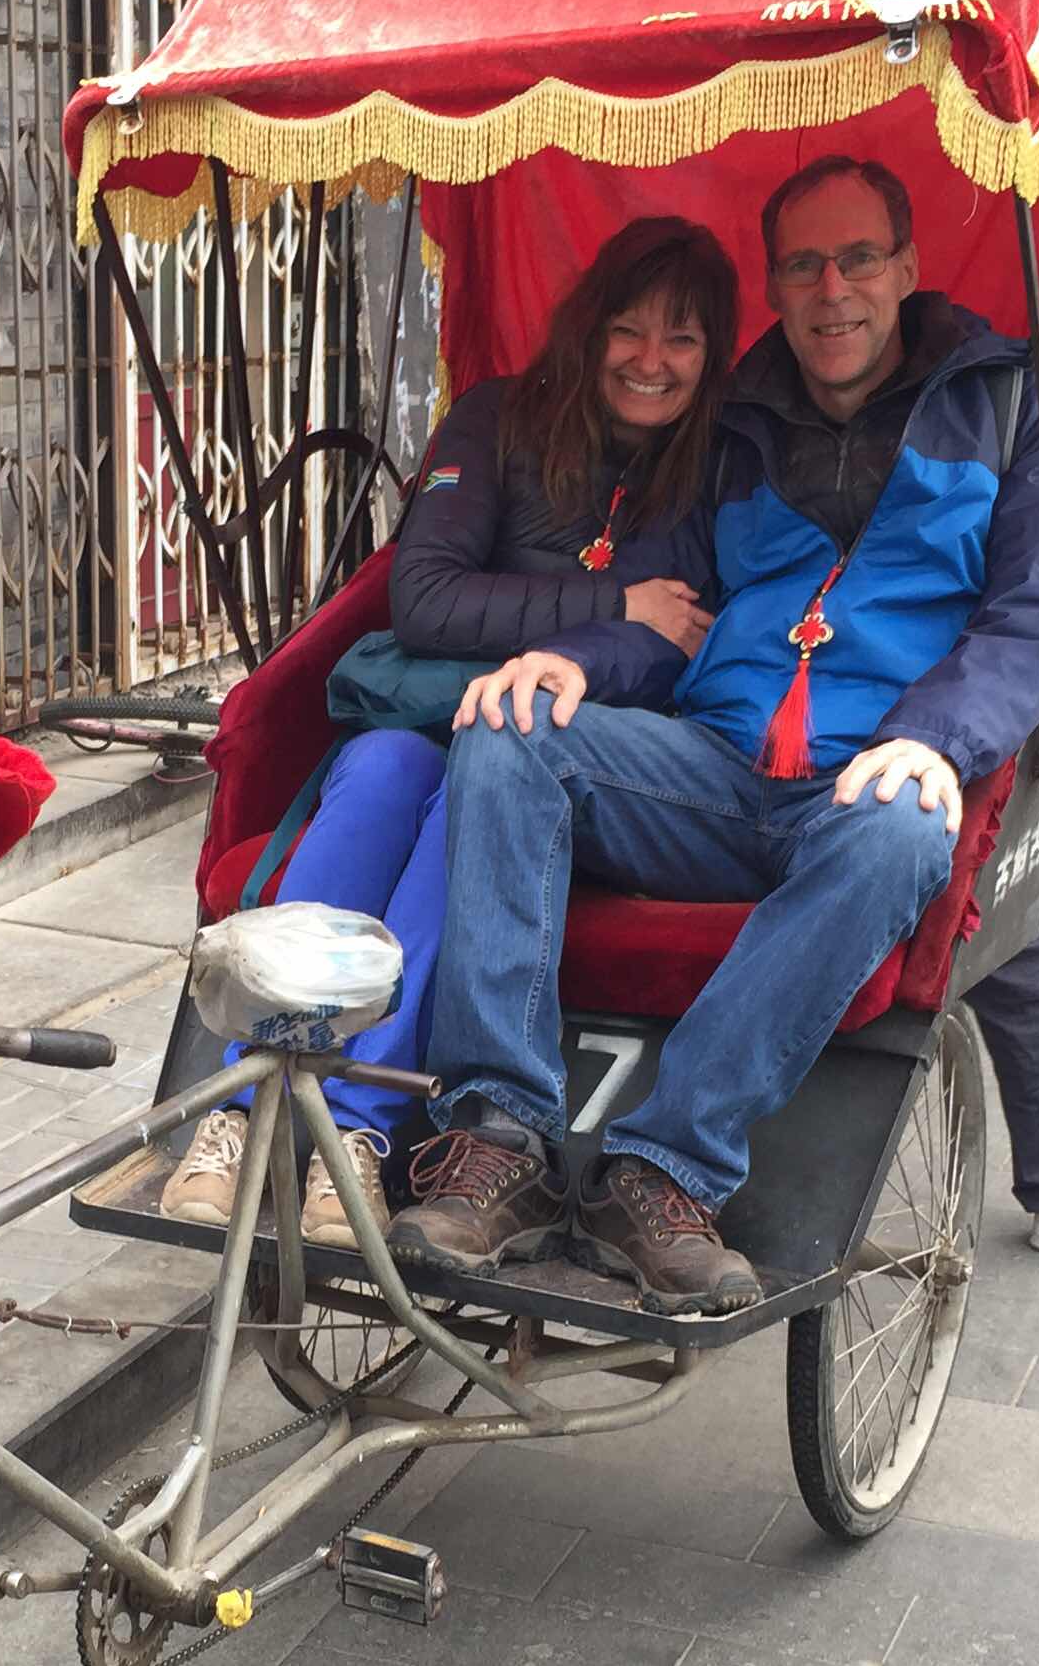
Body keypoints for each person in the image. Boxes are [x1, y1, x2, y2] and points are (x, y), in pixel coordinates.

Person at [383, 156, 1039, 1312]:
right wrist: (572, 662)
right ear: (775, 284)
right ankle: (499, 1135)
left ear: (906, 267)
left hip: (870, 773)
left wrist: (937, 739)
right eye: (804, 265)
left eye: (858, 259)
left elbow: (1030, 617)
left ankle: (664, 1169)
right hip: (710, 766)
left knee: (903, 833)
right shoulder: (737, 420)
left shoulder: (1010, 405)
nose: (832, 289)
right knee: (511, 726)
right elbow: (678, 607)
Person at [162, 217, 733, 1241]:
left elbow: (679, 639)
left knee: (471, 801)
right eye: (630, 330)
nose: (651, 361)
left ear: (712, 355)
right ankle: (244, 1106)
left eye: (681, 340)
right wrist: (614, 603)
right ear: (590, 327)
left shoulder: (708, 473)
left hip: (568, 758)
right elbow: (424, 600)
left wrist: (585, 652)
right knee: (382, 774)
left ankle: (358, 1130)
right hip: (423, 718)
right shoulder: (497, 420)